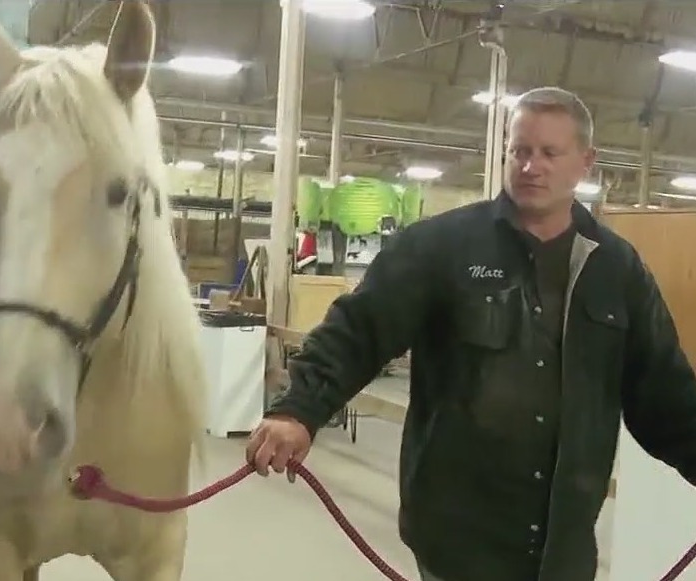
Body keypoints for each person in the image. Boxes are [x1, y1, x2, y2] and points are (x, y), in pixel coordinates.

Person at [246, 86, 696, 581]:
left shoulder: (617, 269)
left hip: (562, 548)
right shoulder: (441, 247)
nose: (531, 166)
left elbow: (664, 392)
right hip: (459, 540)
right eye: (520, 151)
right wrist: (298, 409)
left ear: (585, 162)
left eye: (549, 153)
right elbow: (358, 330)